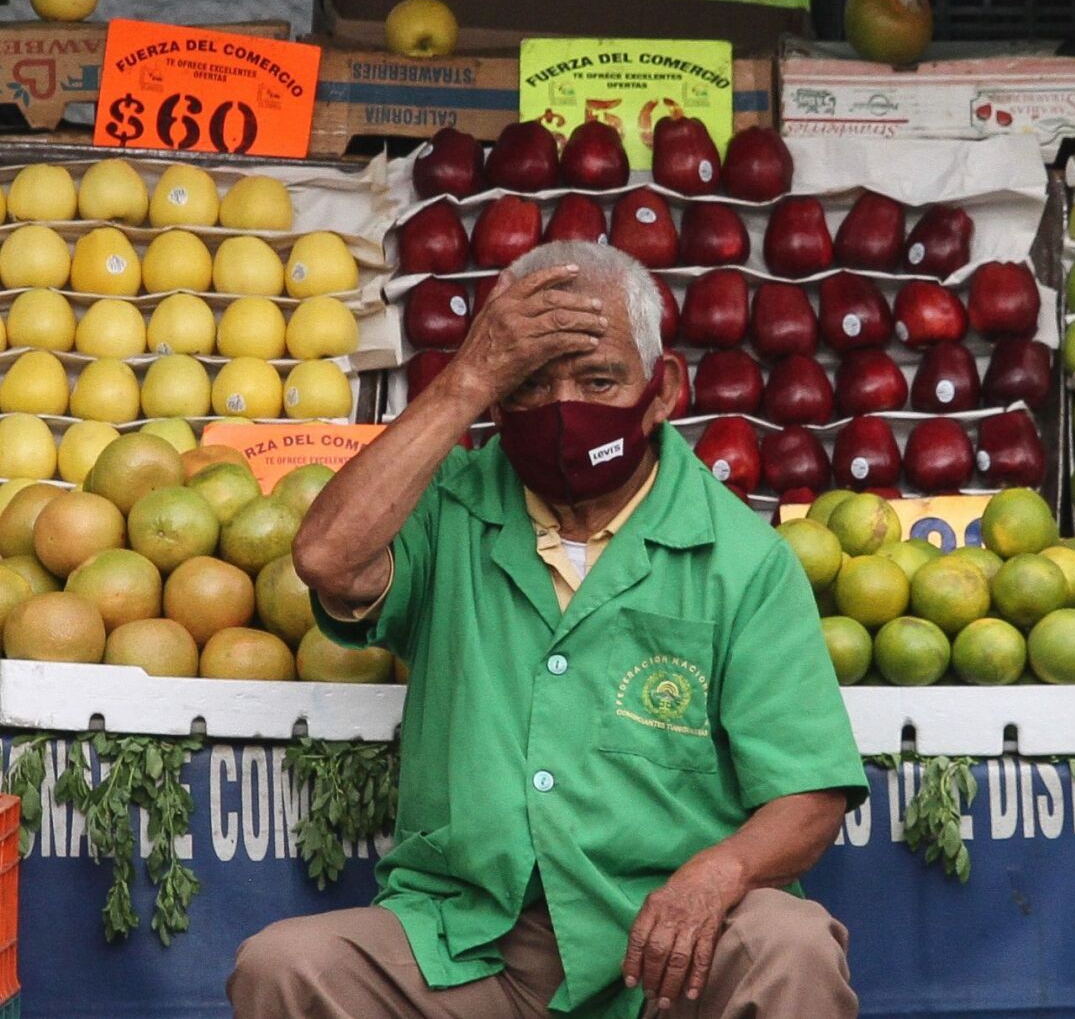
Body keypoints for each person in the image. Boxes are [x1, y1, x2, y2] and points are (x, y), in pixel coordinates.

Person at [227, 240, 867, 1018]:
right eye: (530, 385)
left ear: (661, 391)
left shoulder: (743, 560)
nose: (565, 408)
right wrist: (467, 376)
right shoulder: (448, 510)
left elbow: (810, 795)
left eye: (599, 379)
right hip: (471, 945)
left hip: (665, 950)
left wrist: (716, 876)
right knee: (287, 967)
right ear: (496, 402)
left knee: (789, 945)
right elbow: (328, 558)